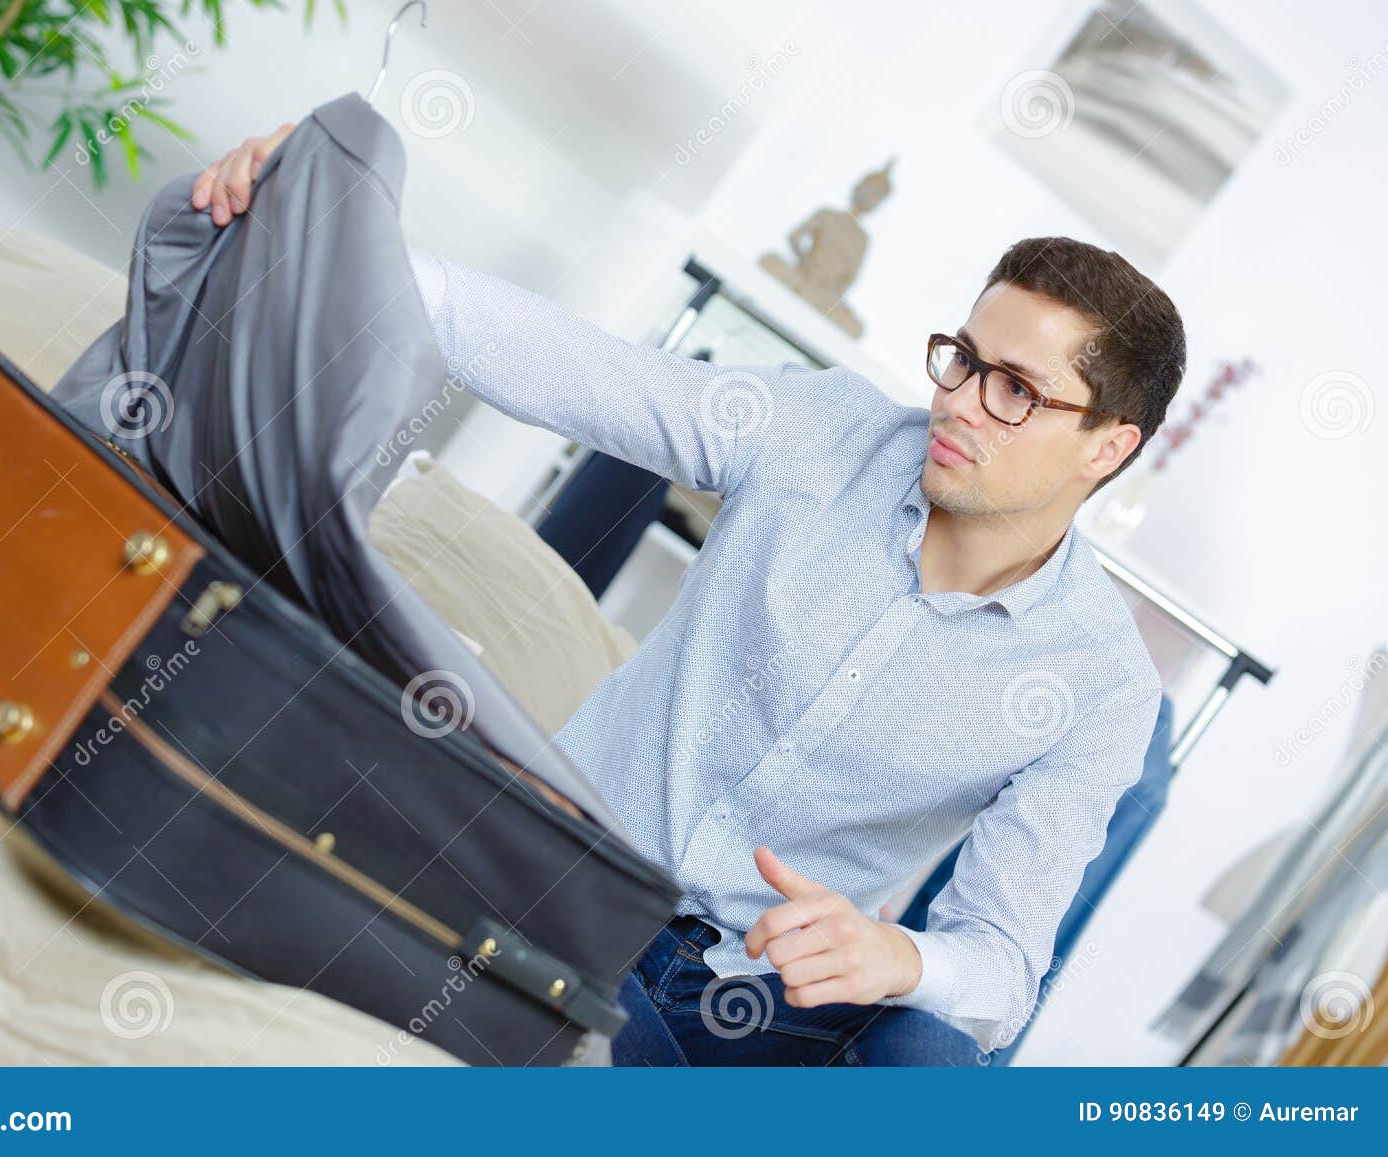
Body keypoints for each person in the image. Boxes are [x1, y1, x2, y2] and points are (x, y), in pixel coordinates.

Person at [189, 123, 1183, 1066]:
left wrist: (901, 957)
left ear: (1107, 446)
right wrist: (337, 227)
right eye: (961, 359)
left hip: (752, 1012)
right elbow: (589, 372)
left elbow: (1002, 970)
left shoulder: (1099, 689)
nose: (960, 400)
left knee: (930, 1055)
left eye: (1014, 387)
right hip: (571, 893)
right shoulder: (821, 432)